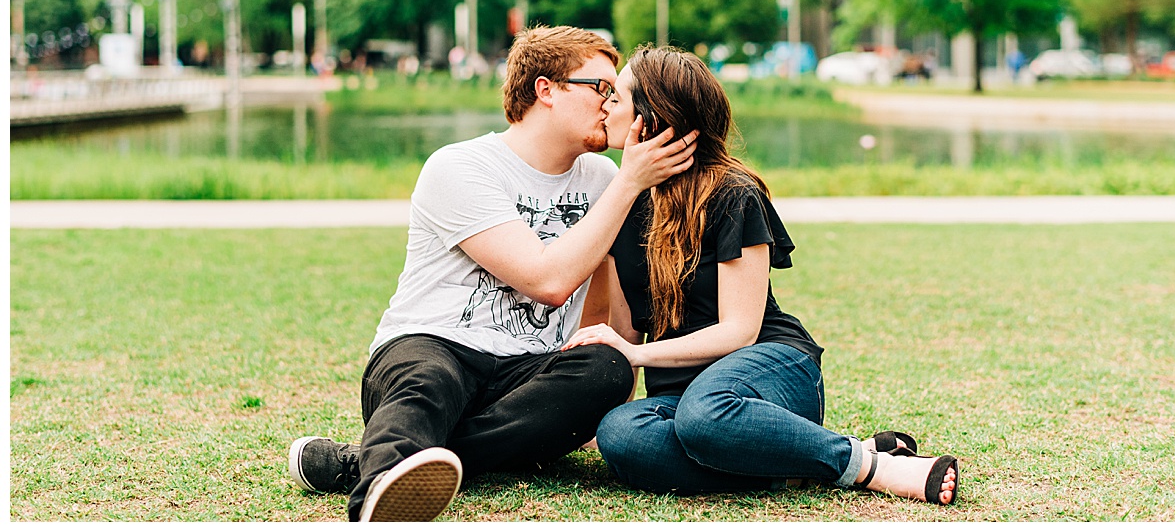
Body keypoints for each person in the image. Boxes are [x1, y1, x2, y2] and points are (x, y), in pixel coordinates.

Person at [287, 27, 698, 522]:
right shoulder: (460, 167)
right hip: (433, 346)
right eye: (601, 88)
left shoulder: (604, 180)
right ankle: (378, 491)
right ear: (546, 89)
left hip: (527, 373)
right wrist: (632, 181)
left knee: (607, 367)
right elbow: (546, 282)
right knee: (429, 378)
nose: (612, 104)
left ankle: (373, 459)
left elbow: (598, 296)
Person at [563, 46, 960, 505]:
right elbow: (626, 329)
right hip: (680, 399)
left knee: (704, 415)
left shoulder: (734, 194)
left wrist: (634, 353)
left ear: (649, 119)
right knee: (621, 435)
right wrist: (615, 381)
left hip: (770, 373)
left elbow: (739, 330)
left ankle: (873, 466)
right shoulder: (621, 205)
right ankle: (796, 469)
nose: (606, 104)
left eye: (618, 96)